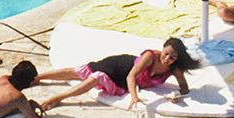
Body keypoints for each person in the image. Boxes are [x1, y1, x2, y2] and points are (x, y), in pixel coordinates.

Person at [36, 38, 195, 111]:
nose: (167, 59)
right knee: (76, 72)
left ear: (177, 59)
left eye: (172, 57)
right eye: (166, 53)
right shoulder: (150, 56)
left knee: (96, 77)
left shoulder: (174, 69)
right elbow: (131, 76)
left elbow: (184, 88)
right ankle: (37, 78)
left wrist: (176, 95)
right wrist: (134, 97)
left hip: (119, 81)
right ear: (163, 47)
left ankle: (57, 98)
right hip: (119, 65)